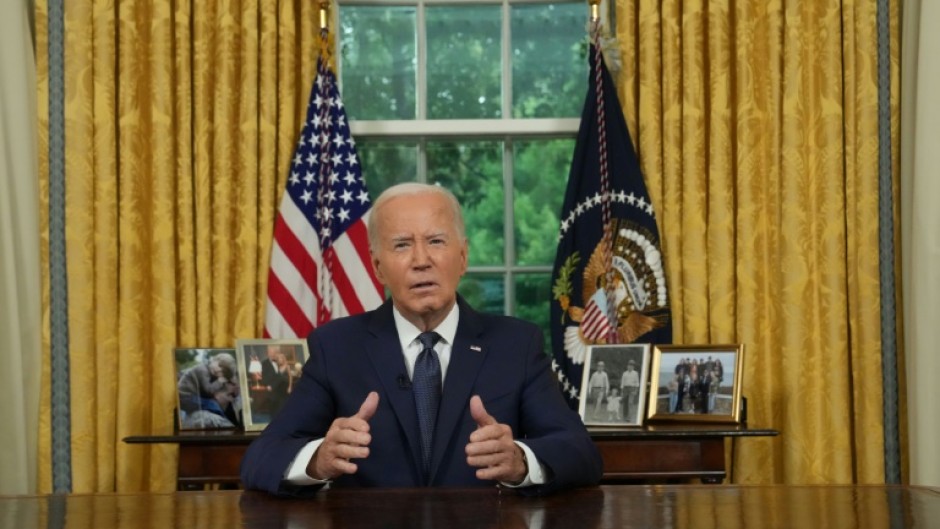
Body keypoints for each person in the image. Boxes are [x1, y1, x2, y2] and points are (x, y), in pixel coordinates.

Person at [240, 182, 603, 495]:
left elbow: (580, 453)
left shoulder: (516, 344)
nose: (421, 260)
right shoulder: (336, 347)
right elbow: (260, 459)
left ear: (463, 257)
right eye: (401, 245)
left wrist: (520, 461)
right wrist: (318, 459)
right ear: (377, 267)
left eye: (436, 241)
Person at [177, 352, 240, 429]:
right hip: (185, 397)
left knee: (210, 404)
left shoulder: (208, 372)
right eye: (220, 365)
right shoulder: (202, 370)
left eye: (222, 372)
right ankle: (225, 420)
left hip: (188, 398)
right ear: (213, 360)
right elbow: (209, 390)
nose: (218, 370)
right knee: (212, 404)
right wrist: (220, 381)